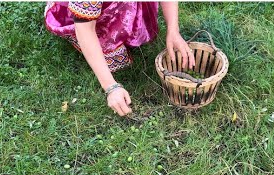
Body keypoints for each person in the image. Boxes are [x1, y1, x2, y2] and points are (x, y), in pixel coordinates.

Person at [45, 2, 195, 116]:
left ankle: (126, 17)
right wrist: (111, 87)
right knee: (109, 55)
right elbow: (84, 28)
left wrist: (173, 30)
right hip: (81, 14)